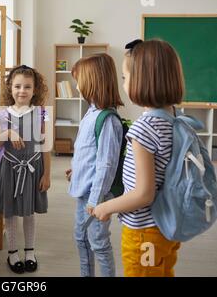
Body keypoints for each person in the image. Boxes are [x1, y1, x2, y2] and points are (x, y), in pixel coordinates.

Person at [93, 39, 184, 277]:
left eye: (125, 77)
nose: (123, 84)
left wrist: (106, 207)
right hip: (167, 225)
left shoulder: (144, 129)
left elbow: (143, 193)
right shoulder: (174, 119)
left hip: (144, 230)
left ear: (142, 80)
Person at [66, 54, 124, 277]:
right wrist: (77, 168)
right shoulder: (91, 113)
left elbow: (106, 164)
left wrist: (96, 200)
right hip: (84, 191)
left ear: (92, 81)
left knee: (98, 243)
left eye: (79, 80)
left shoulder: (107, 119)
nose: (77, 86)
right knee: (81, 238)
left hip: (96, 196)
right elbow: (88, 151)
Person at [0, 65, 51, 274]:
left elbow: (45, 144)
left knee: (28, 212)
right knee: (10, 212)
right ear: (10, 87)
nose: (22, 91)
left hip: (33, 167)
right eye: (17, 86)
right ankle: (12, 252)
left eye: (27, 86)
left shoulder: (42, 113)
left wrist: (47, 174)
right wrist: (7, 133)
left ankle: (30, 252)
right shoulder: (3, 114)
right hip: (9, 168)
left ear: (35, 89)